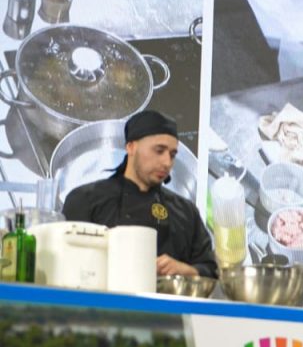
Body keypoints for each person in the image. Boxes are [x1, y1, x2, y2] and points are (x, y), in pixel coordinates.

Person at [61, 111, 218, 278]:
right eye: (159, 151)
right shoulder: (85, 199)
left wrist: (185, 270)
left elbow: (210, 270)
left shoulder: (186, 212)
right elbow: (67, 263)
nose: (167, 163)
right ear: (131, 147)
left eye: (172, 155)